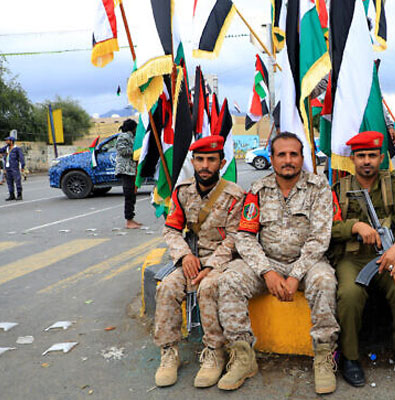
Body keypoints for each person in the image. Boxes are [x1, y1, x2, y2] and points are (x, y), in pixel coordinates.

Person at [217, 132, 339, 394]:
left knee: (324, 281)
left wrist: (294, 275)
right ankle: (242, 356)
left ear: (302, 157)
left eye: (293, 154)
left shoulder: (319, 188)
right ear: (271, 158)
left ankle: (324, 355)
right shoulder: (258, 190)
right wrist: (267, 272)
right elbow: (246, 237)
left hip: (307, 263)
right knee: (229, 279)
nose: (288, 160)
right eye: (281, 154)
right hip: (266, 262)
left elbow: (319, 239)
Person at [329, 131, 395, 387]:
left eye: (371, 155)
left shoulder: (394, 184)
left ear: (381, 158)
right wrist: (355, 226)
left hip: (390, 255)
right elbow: (328, 228)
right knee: (349, 295)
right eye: (361, 156)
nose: (366, 161)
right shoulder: (340, 189)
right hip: (353, 258)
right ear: (353, 159)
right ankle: (350, 358)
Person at [155, 135, 247, 388]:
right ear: (193, 162)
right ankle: (168, 352)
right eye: (200, 160)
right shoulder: (182, 192)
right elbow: (172, 229)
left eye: (211, 160)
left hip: (223, 260)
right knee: (167, 287)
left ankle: (214, 352)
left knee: (208, 288)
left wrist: (209, 266)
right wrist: (184, 255)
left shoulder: (235, 195)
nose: (205, 165)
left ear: (222, 163)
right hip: (191, 257)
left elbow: (235, 237)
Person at [115, 119, 141, 229]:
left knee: (132, 195)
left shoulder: (132, 137)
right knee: (129, 195)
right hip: (126, 170)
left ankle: (131, 218)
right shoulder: (123, 136)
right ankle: (129, 221)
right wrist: (136, 152)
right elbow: (122, 151)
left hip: (132, 170)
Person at [2, 136, 25, 201]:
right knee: (9, 182)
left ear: (11, 141)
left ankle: (19, 195)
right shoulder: (6, 148)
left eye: (7, 140)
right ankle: (12, 195)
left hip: (14, 168)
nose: (6, 141)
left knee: (17, 181)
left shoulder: (17, 149)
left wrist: (22, 166)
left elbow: (21, 158)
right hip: (8, 168)